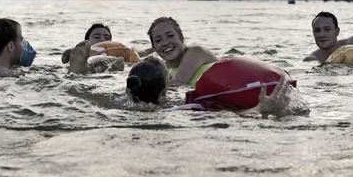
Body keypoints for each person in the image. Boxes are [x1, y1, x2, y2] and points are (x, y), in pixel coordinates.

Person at [125, 57, 298, 118]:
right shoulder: (187, 108)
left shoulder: (125, 103)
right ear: (165, 89)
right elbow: (230, 115)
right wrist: (261, 108)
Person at [147, 17, 218, 84]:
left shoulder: (196, 52)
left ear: (181, 38)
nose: (165, 43)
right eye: (158, 40)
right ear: (154, 49)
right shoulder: (164, 68)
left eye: (170, 35)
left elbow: (178, 84)